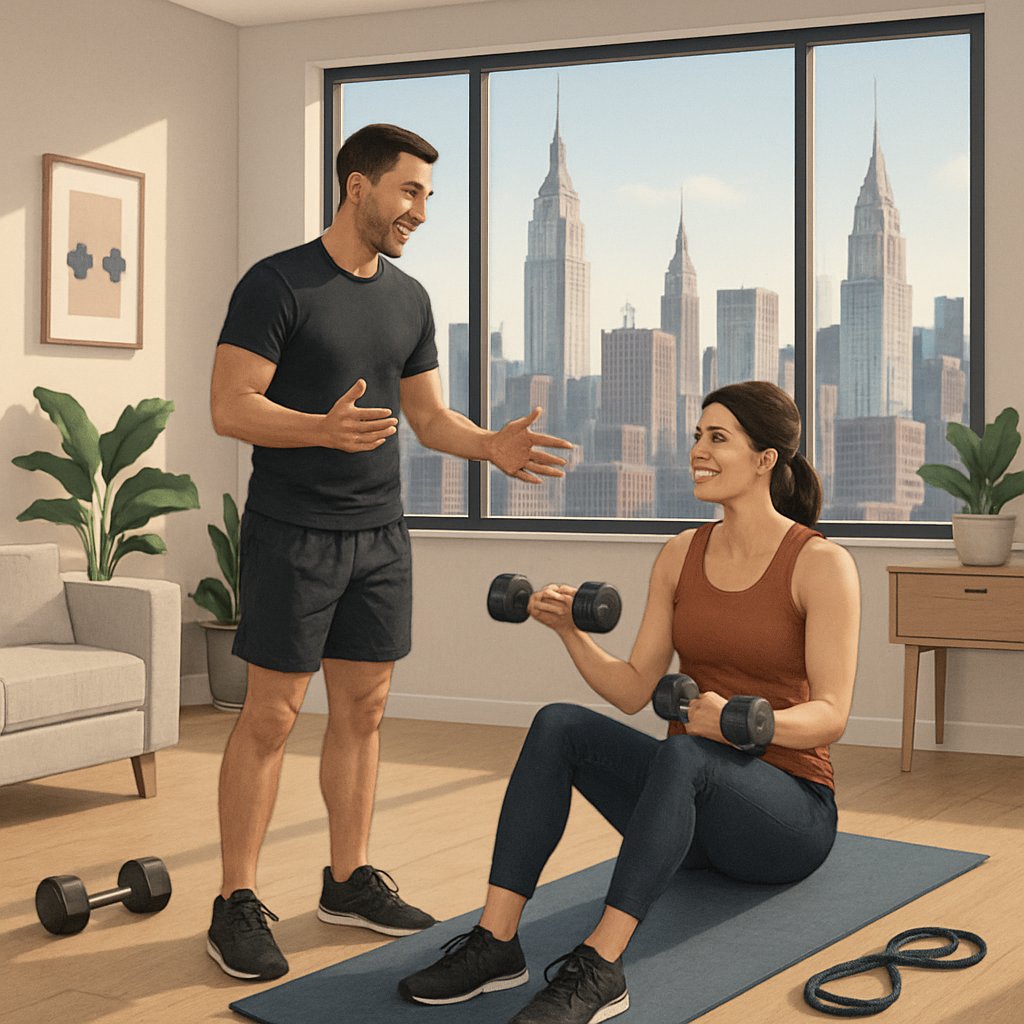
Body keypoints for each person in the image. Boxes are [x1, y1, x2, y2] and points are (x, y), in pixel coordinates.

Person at [204, 123, 574, 982]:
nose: (420, 211)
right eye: (409, 192)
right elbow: (230, 405)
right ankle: (235, 902)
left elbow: (429, 418)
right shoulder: (277, 283)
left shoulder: (408, 298)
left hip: (380, 533)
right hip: (293, 534)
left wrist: (489, 446)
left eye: (428, 197)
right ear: (356, 186)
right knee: (270, 717)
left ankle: (346, 879)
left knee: (364, 712)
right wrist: (319, 430)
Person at [398, 380, 861, 1024]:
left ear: (765, 460)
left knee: (689, 752)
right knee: (559, 724)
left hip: (788, 821)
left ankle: (601, 967)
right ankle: (496, 942)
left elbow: (832, 713)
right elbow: (635, 687)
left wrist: (740, 726)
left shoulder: (821, 564)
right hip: (691, 811)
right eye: (697, 436)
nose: (697, 450)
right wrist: (570, 632)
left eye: (717, 438)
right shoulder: (680, 554)